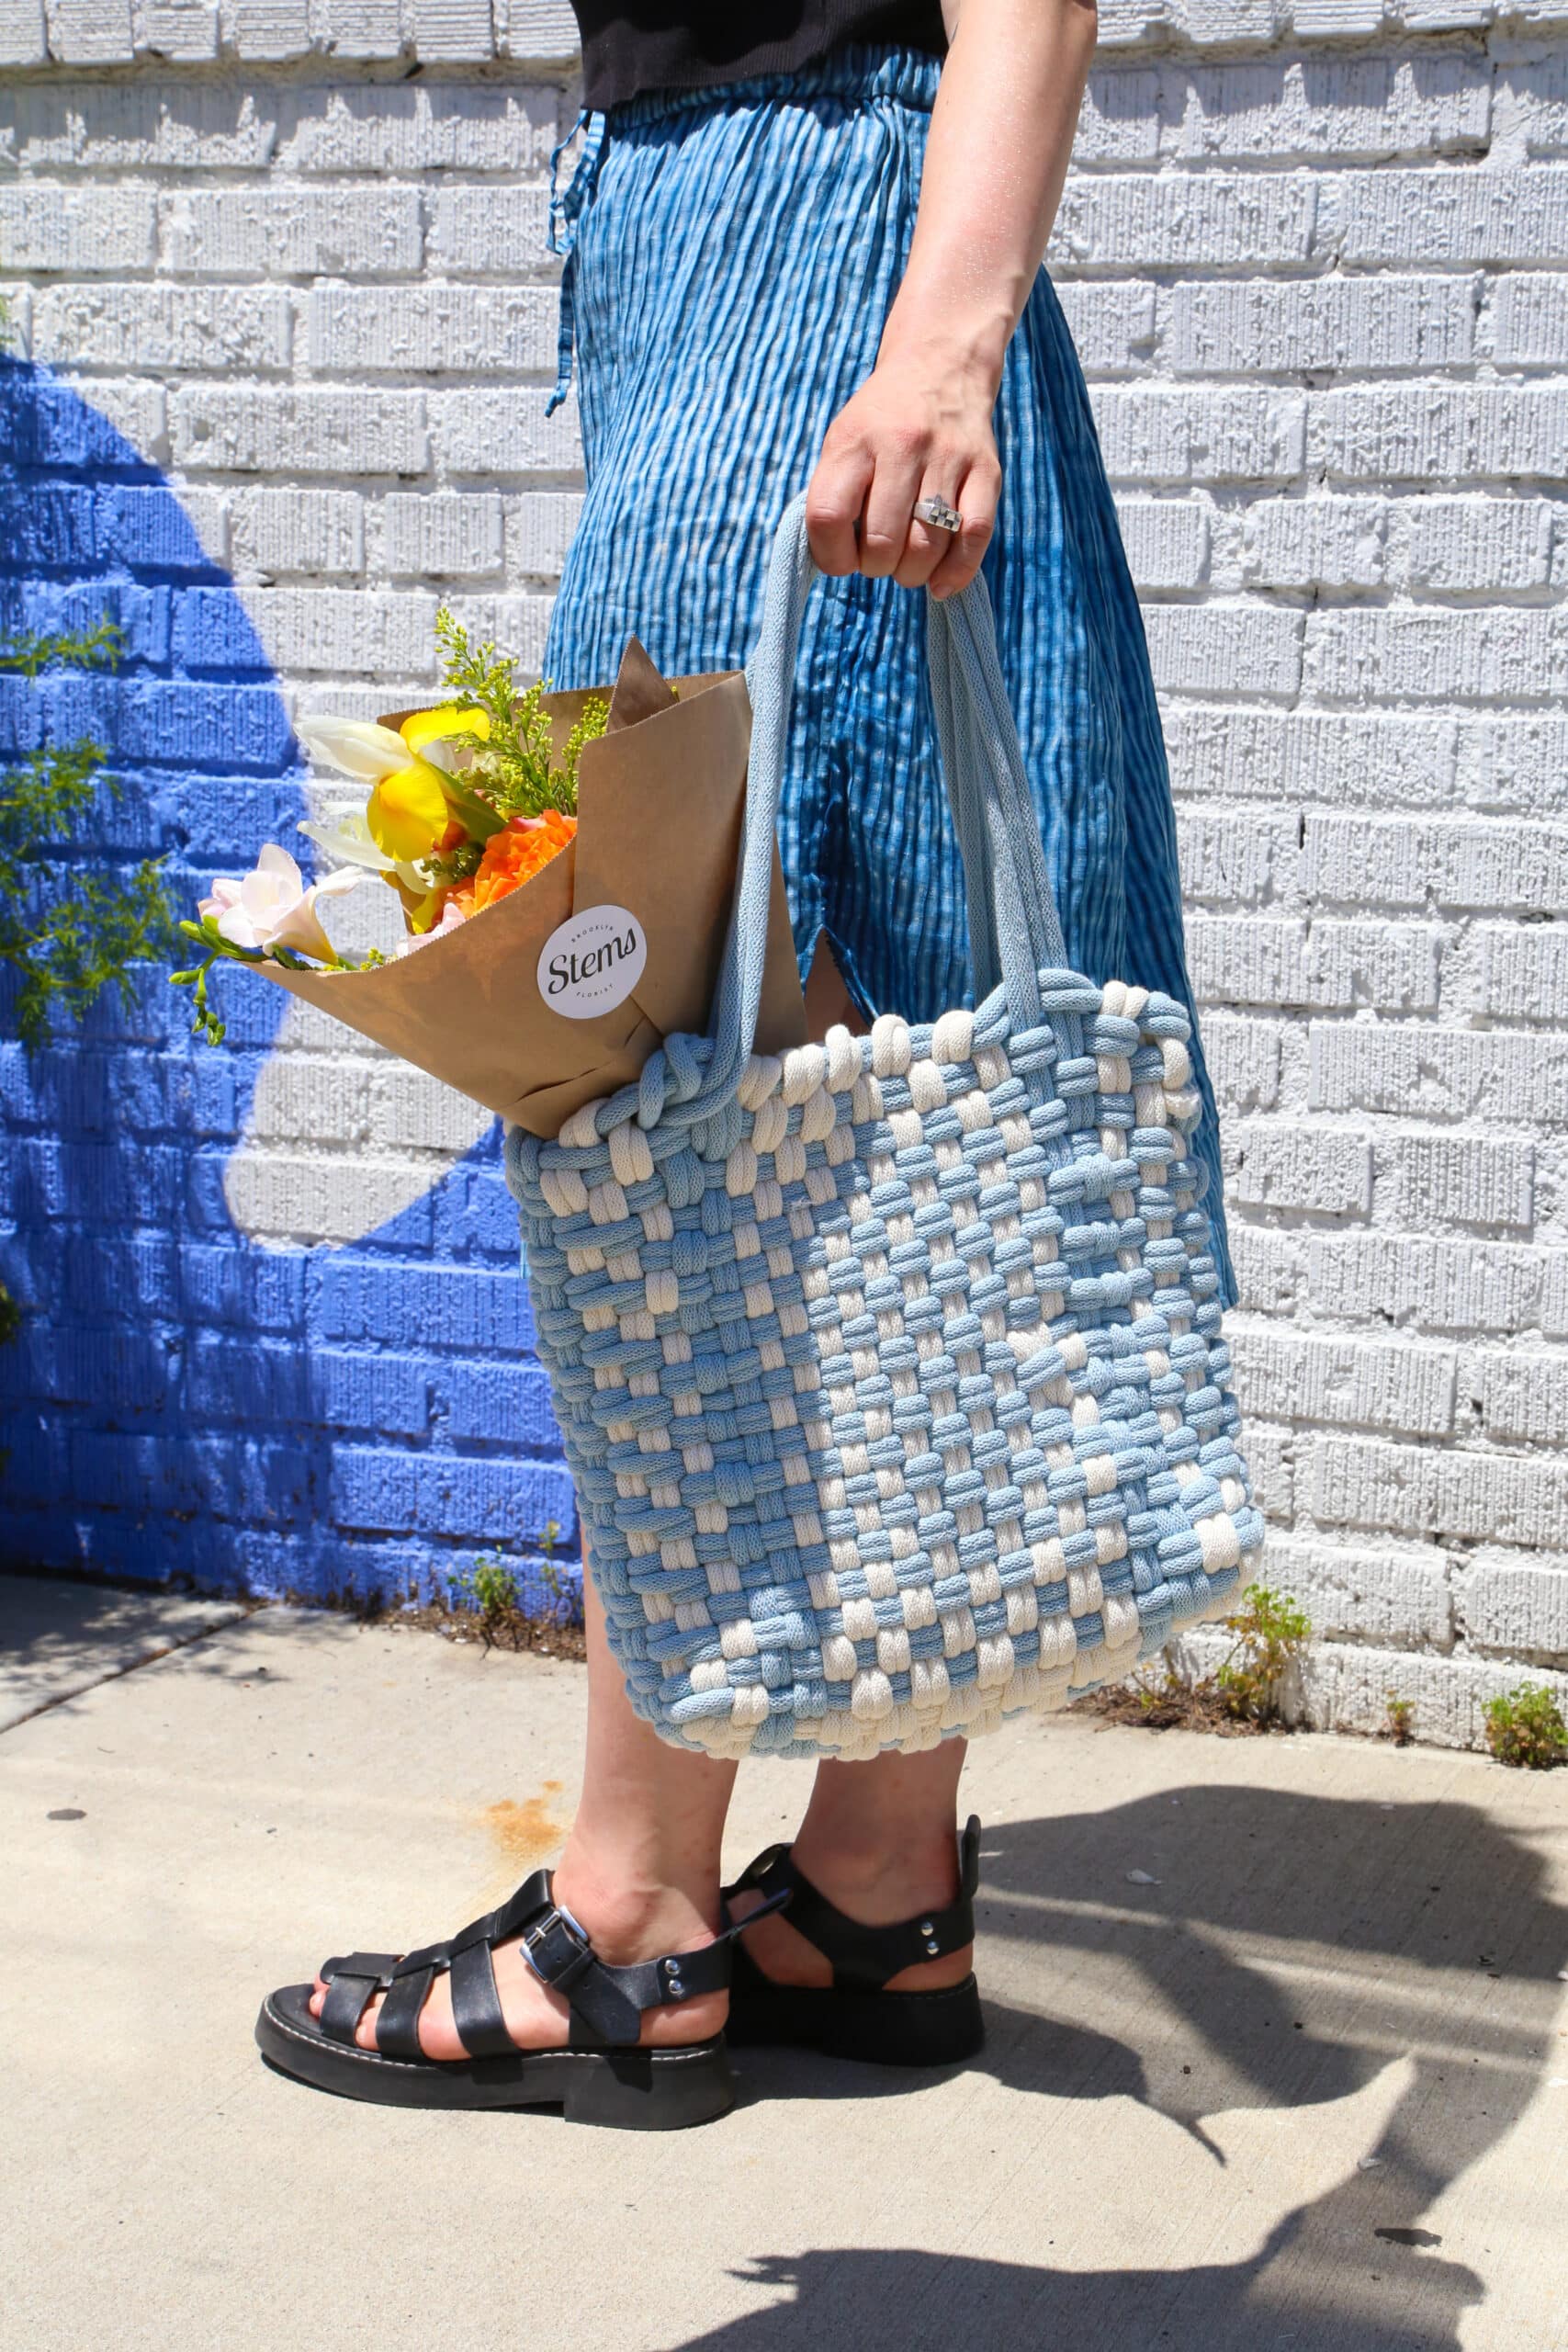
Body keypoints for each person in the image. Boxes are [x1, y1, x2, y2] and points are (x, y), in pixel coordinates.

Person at [257, 0, 1231, 2129]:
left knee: (660, 1039)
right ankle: (872, 1890)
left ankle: (629, 1916)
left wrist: (939, 338)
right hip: (775, 248)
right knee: (881, 1039)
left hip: (811, 250)